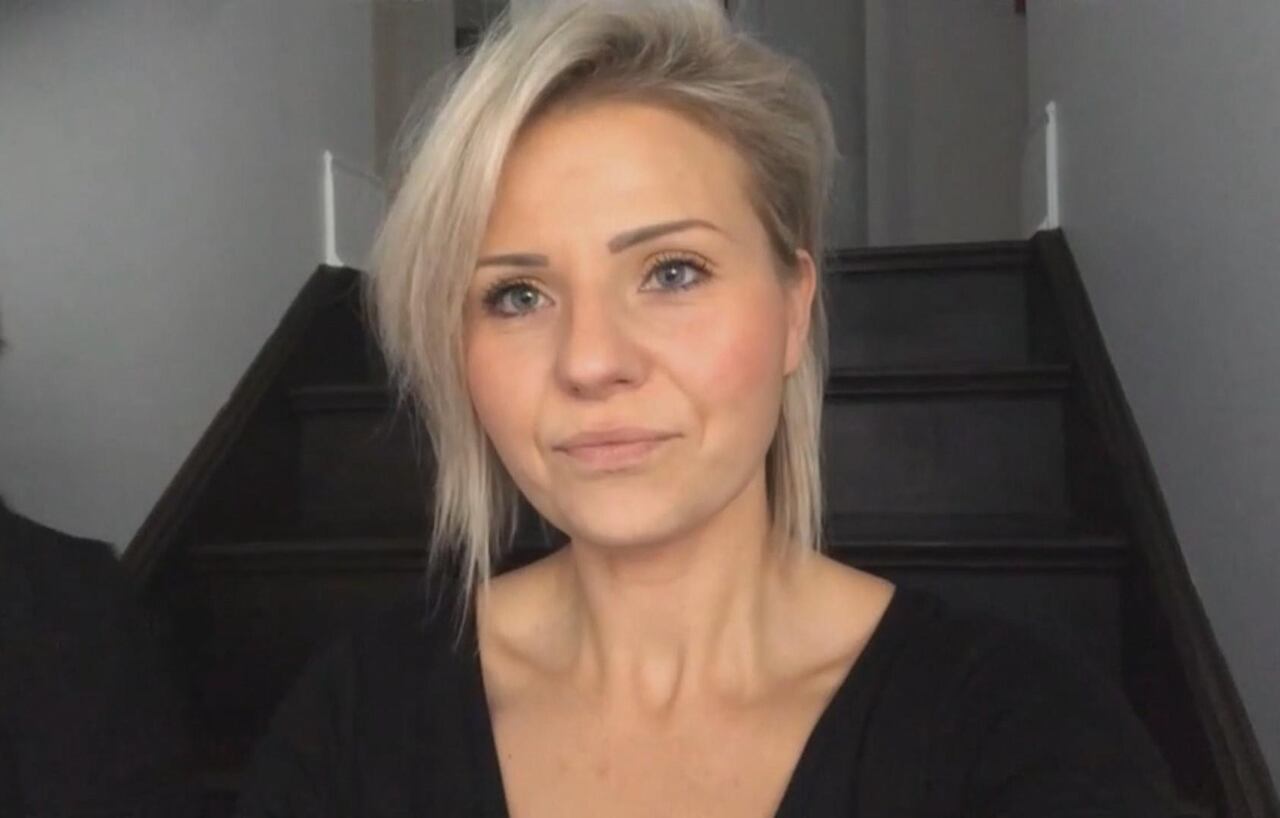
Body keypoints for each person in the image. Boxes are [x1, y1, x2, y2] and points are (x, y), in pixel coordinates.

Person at [235, 0, 1183, 815]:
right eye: (517, 294)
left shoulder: (1022, 735)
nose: (592, 361)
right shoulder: (355, 722)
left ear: (794, 307)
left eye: (673, 271)